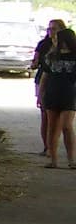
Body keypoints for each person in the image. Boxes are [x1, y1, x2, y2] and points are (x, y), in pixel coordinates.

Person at [40, 27, 76, 169]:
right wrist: (41, 94)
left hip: (70, 94)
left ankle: (71, 159)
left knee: (67, 126)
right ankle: (53, 159)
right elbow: (44, 77)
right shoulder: (51, 57)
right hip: (53, 93)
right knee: (52, 127)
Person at [33, 18, 67, 155]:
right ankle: (47, 146)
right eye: (49, 29)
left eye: (54, 29)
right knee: (45, 114)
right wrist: (34, 63)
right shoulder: (43, 44)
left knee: (57, 117)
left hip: (61, 81)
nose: (50, 31)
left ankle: (53, 146)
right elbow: (35, 59)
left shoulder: (67, 44)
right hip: (43, 78)